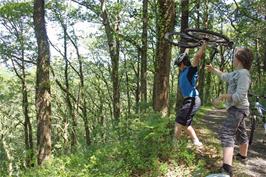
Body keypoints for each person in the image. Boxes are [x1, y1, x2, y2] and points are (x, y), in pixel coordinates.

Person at [206, 48, 253, 177]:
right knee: (241, 133)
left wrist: (223, 97)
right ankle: (243, 156)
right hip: (236, 109)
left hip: (238, 109)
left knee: (227, 133)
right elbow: (224, 76)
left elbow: (239, 96)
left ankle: (227, 171)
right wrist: (213, 69)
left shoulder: (243, 74)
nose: (232, 59)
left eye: (234, 57)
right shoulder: (236, 73)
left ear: (239, 60)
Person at [174, 42, 207, 147]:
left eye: (179, 64)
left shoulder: (190, 71)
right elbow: (185, 55)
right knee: (185, 124)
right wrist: (188, 45)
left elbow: (197, 56)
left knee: (179, 121)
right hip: (188, 100)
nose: (178, 66)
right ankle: (196, 142)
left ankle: (173, 145)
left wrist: (204, 44)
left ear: (183, 63)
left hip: (192, 100)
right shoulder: (183, 72)